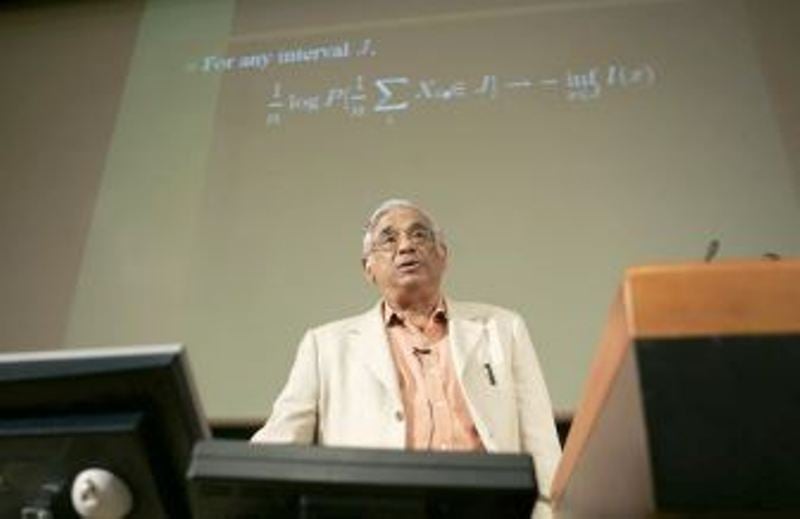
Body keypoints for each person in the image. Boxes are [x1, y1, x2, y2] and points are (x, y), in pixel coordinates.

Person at [252, 199, 561, 513]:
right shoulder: (326, 346)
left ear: (443, 256)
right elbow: (279, 443)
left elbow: (542, 447)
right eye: (388, 239)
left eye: (419, 235)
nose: (406, 247)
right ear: (368, 268)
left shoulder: (503, 328)